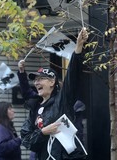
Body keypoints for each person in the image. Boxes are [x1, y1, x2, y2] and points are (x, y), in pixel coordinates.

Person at [17, 28, 88, 160]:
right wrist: (44, 132)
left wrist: (78, 47)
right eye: (35, 80)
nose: (36, 83)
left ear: (51, 82)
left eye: (40, 79)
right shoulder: (35, 108)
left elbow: (72, 77)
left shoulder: (62, 100)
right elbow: (26, 139)